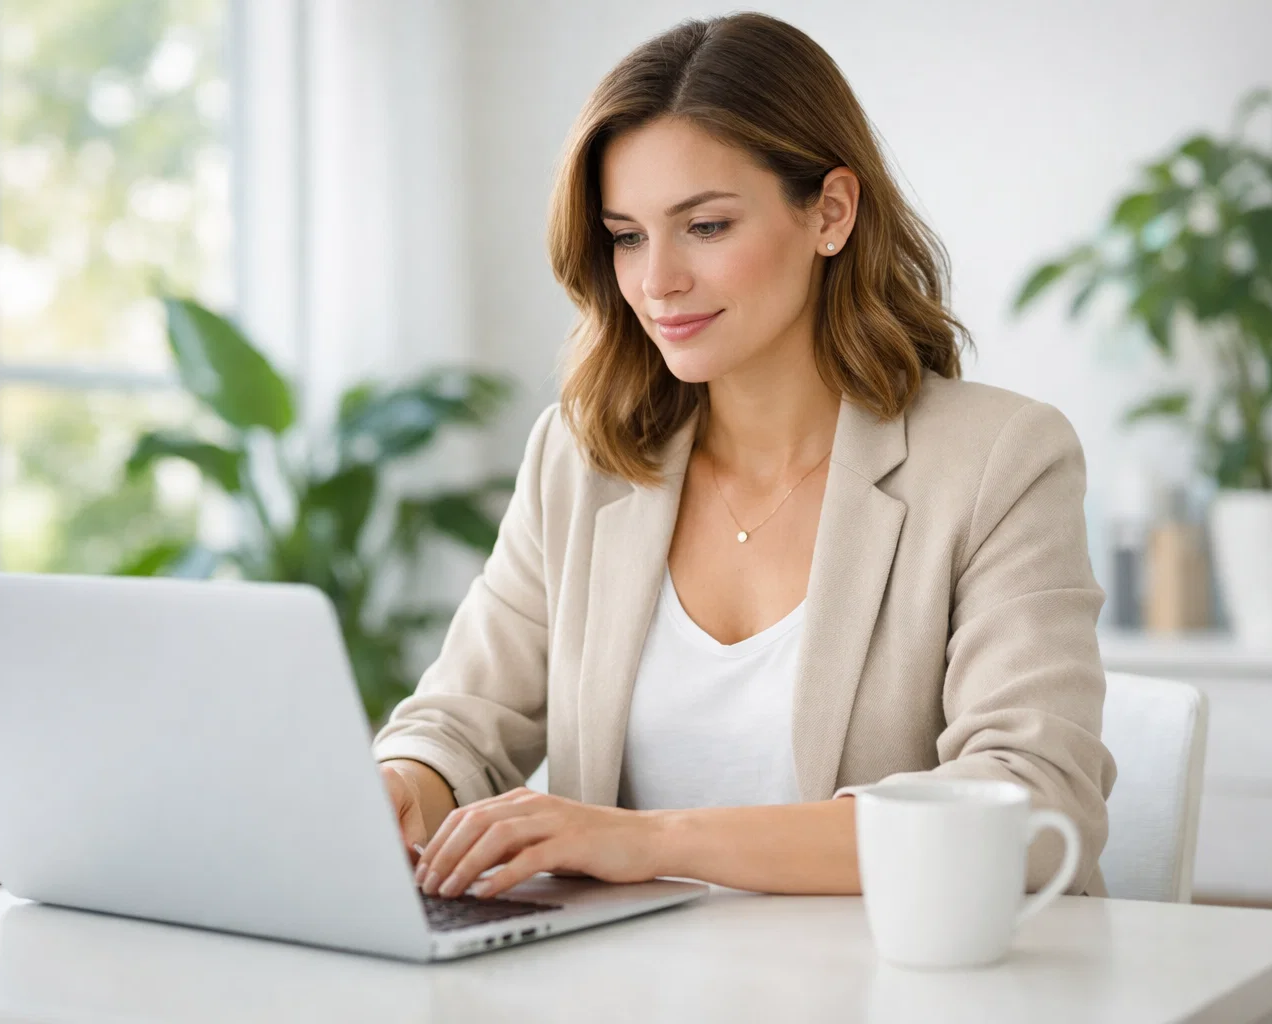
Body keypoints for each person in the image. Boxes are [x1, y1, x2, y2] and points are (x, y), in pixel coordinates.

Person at [372, 11, 1116, 901]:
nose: (657, 282)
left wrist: (651, 841)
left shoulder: (1001, 460)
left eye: (708, 226)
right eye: (628, 236)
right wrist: (402, 786)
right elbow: (462, 720)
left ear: (831, 213)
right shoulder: (582, 458)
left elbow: (1032, 807)